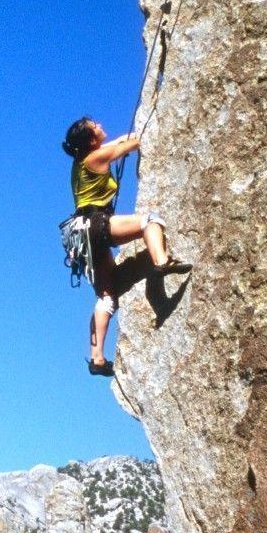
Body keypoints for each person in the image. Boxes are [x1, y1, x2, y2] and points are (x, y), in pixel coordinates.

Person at [61, 117, 190, 376]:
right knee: (150, 221)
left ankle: (97, 359)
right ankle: (161, 262)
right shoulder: (95, 158)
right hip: (96, 223)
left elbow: (119, 142)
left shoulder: (81, 163)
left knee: (107, 297)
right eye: (94, 126)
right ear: (90, 140)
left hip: (82, 234)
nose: (99, 124)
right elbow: (132, 144)